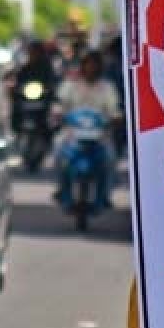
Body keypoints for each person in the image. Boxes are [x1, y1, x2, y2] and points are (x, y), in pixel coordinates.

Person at [53, 49, 121, 210]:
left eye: (94, 64)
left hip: (99, 135)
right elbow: (59, 104)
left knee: (110, 159)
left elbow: (114, 109)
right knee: (57, 151)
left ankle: (105, 195)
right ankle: (62, 189)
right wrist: (57, 112)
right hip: (72, 133)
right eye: (88, 64)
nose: (91, 68)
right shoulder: (71, 85)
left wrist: (116, 117)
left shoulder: (107, 87)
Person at [9, 39, 58, 132]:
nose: (33, 54)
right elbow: (18, 81)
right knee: (15, 105)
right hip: (26, 98)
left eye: (35, 52)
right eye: (31, 52)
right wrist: (15, 88)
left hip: (43, 99)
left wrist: (48, 89)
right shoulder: (25, 68)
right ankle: (15, 128)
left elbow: (52, 82)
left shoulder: (47, 68)